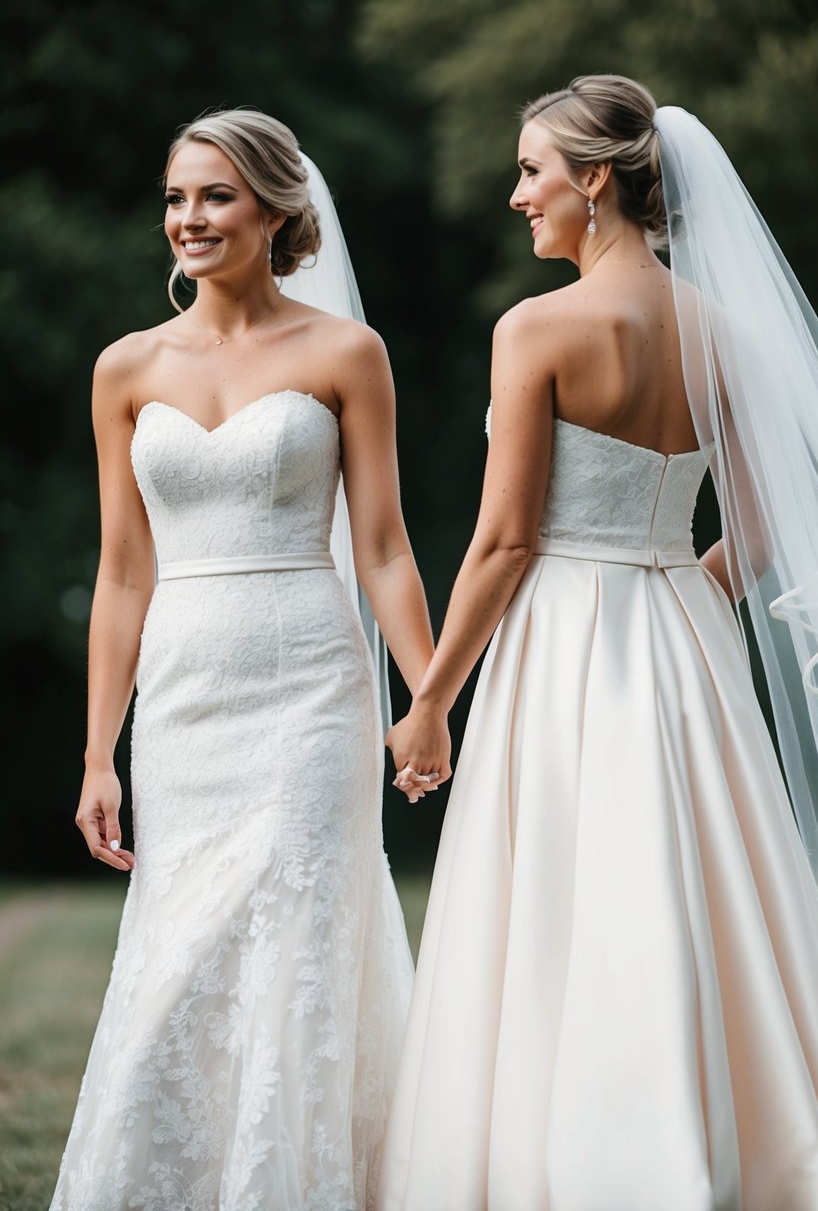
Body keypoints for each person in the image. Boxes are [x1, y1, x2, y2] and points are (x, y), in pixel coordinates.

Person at [381, 75, 818, 1210]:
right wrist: (685, 592)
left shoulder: (536, 328)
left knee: (566, 895)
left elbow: (501, 543)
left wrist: (431, 698)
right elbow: (762, 524)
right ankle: (727, 1142)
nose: (518, 193)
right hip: (682, 628)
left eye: (533, 170)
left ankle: (577, 1154)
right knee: (691, 881)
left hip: (562, 643)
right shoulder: (719, 328)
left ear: (592, 179)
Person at [51, 109, 433, 1211]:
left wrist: (424, 697)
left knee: (297, 946)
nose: (189, 218)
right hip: (183, 698)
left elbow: (385, 547)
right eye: (176, 198)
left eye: (214, 196)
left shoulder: (344, 353)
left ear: (273, 208)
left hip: (313, 688)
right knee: (177, 956)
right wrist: (97, 753)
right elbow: (123, 574)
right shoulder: (125, 367)